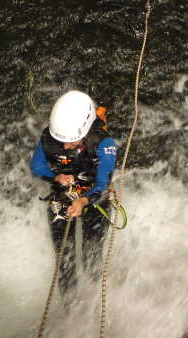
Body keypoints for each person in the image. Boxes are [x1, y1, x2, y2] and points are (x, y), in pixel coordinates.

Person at [30, 90, 117, 291]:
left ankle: (92, 303)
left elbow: (103, 182)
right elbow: (37, 165)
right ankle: (70, 308)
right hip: (64, 193)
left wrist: (83, 201)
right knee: (64, 260)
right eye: (62, 140)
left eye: (72, 140)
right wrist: (55, 178)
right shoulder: (51, 138)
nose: (65, 145)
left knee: (91, 255)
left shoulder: (104, 143)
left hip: (95, 197)